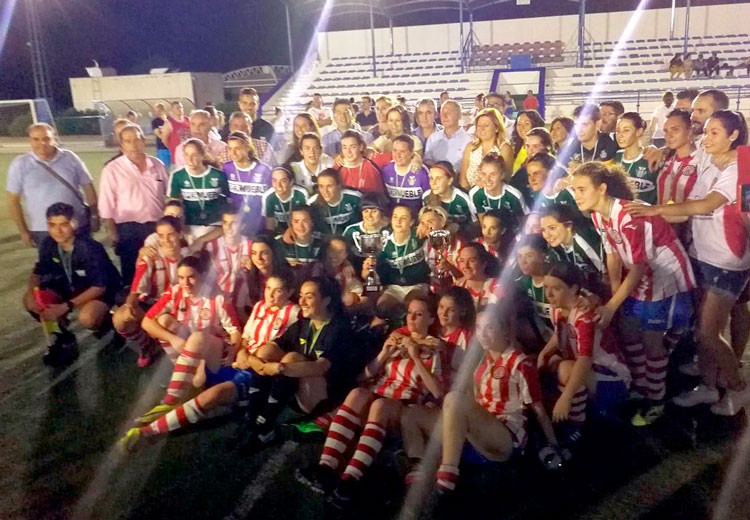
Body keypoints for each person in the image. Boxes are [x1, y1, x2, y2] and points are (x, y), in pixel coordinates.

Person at [626, 110, 750, 416]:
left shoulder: (740, 168)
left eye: (714, 133)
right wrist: (649, 210)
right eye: (705, 132)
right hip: (701, 255)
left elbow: (707, 204)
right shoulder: (708, 163)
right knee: (702, 333)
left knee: (709, 332)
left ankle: (738, 388)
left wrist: (654, 210)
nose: (705, 138)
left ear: (734, 136)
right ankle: (708, 387)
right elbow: (686, 210)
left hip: (726, 262)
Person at [118, 271, 299, 453]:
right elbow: (245, 337)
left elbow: (283, 352)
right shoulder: (260, 306)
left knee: (210, 397)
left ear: (289, 292)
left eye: (278, 291)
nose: (270, 294)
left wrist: (251, 359)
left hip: (255, 374)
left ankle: (146, 432)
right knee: (197, 339)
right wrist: (242, 350)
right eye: (268, 288)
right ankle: (171, 399)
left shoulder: (294, 313)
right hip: (239, 360)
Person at [572, 162, 695, 426]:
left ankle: (656, 399)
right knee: (629, 334)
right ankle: (642, 385)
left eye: (582, 189)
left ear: (602, 189)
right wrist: (615, 288)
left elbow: (639, 266)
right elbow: (613, 252)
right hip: (641, 276)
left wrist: (612, 305)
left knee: (652, 342)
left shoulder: (628, 217)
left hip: (664, 277)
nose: (577, 195)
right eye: (575, 190)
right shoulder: (597, 215)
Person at [296, 294, 443, 506]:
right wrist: (384, 353)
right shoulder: (397, 336)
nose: (411, 319)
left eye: (419, 315)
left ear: (430, 319)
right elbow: (363, 377)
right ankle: (326, 468)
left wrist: (415, 356)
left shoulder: (434, 348)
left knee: (380, 405)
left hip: (402, 404)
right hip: (378, 392)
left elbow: (437, 391)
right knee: (357, 393)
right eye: (409, 313)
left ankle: (350, 480)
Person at [432, 303, 558, 496]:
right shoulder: (482, 362)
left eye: (490, 327)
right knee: (413, 415)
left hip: (507, 435)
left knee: (454, 399)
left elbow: (537, 407)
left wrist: (553, 443)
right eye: (479, 327)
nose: (482, 334)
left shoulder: (519, 362)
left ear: (505, 330)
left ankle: (445, 482)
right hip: (482, 427)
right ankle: (417, 472)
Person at [236, 276, 355, 451]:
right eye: (301, 296)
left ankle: (266, 425)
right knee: (266, 352)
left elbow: (320, 367)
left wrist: (280, 368)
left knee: (291, 359)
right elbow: (272, 347)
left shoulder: (339, 328)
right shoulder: (304, 323)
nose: (302, 302)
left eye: (309, 296)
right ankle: (252, 417)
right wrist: (253, 359)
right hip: (299, 390)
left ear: (326, 300)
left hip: (326, 398)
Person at [23, 203, 121, 366]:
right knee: (29, 301)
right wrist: (32, 292)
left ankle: (107, 322)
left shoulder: (90, 248)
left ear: (73, 224)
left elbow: (99, 286)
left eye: (63, 225)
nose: (58, 231)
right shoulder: (48, 244)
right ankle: (61, 335)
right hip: (68, 288)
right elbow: (37, 272)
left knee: (87, 318)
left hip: (99, 290)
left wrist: (65, 307)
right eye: (52, 225)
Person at [539, 263, 630, 436]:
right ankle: (582, 410)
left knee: (567, 369)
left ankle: (576, 426)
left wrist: (565, 397)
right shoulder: (557, 309)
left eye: (556, 288)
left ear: (573, 289)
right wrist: (544, 353)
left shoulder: (584, 316)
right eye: (546, 287)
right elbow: (560, 334)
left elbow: (585, 359)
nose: (549, 294)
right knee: (551, 362)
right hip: (591, 372)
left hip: (613, 378)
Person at [399, 287, 475, 485]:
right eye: (441, 307)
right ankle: (418, 465)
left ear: (462, 312)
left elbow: (464, 378)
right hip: (430, 396)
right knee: (409, 413)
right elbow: (406, 331)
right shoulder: (433, 331)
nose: (443, 313)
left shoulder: (466, 338)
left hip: (452, 403)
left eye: (450, 310)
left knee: (412, 414)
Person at [7, 123, 98, 248]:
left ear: (54, 139)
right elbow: (13, 201)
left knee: (86, 262)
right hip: (43, 229)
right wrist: (23, 231)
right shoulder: (20, 164)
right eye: (36, 139)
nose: (42, 143)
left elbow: (88, 186)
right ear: (30, 140)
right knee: (51, 266)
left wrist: (94, 215)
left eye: (46, 139)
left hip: (76, 224)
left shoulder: (70, 158)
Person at [98, 124, 169, 285]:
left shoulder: (157, 165)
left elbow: (170, 194)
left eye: (137, 140)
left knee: (159, 269)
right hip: (128, 230)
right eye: (128, 141)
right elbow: (107, 204)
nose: (133, 144)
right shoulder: (112, 169)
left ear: (143, 141)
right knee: (132, 273)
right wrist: (113, 232)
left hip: (156, 227)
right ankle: (133, 307)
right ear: (122, 145)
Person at [114, 215, 183, 367]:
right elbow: (139, 279)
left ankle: (178, 364)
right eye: (161, 236)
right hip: (151, 302)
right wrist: (130, 303)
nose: (166, 240)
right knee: (121, 318)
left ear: (180, 234)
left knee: (165, 322)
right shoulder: (151, 255)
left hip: (173, 307)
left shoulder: (188, 255)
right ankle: (147, 345)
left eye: (170, 234)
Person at [369, 205, 431, 319]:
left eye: (403, 218)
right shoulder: (383, 242)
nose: (398, 221)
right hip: (394, 286)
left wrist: (451, 226)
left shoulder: (418, 234)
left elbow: (440, 232)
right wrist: (369, 267)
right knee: (382, 308)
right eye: (395, 217)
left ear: (412, 222)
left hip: (417, 284)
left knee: (412, 305)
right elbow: (374, 270)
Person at [168, 138, 230, 236]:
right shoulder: (178, 176)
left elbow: (228, 201)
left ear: (202, 155)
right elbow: (173, 205)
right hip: (189, 227)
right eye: (186, 155)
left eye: (194, 155)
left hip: (215, 226)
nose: (190, 159)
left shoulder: (218, 175)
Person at [540, 204, 604, 295]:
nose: (547, 235)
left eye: (552, 228)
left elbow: (607, 277)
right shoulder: (555, 249)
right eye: (543, 230)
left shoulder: (585, 242)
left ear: (568, 226)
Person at [223, 131, 272, 236]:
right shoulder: (227, 168)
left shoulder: (264, 170)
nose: (233, 153)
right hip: (237, 227)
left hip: (260, 225)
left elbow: (270, 199)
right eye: (230, 149)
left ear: (248, 148)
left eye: (238, 148)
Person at [470, 153, 528, 229]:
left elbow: (524, 223)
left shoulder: (514, 196)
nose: (487, 179)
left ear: (502, 175)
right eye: (483, 174)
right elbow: (482, 225)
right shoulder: (475, 194)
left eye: (493, 174)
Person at [460, 108, 514, 190]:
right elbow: (463, 177)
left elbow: (505, 177)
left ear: (496, 128)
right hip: (469, 194)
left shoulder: (504, 148)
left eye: (486, 125)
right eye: (479, 125)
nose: (482, 129)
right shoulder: (470, 147)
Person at [614, 112, 658, 205]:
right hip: (621, 216)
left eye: (626, 130)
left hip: (647, 217)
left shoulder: (650, 157)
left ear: (639, 132)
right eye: (618, 130)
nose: (620, 135)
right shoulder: (616, 157)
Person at [381, 135, 431, 217]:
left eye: (402, 151)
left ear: (411, 153)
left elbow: (429, 199)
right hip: (394, 217)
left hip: (416, 217)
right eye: (395, 150)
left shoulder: (421, 172)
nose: (398, 155)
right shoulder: (387, 170)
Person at [657, 109, 699, 204]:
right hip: (660, 217)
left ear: (690, 130)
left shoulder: (701, 161)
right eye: (666, 131)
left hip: (688, 218)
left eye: (675, 129)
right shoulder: (665, 157)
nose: (669, 135)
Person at [561, 103, 618, 169]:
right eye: (576, 125)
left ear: (597, 124)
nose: (579, 130)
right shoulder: (568, 149)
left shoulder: (611, 145)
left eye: (584, 125)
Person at [343, 193, 392, 270]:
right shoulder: (351, 231)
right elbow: (343, 255)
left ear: (382, 213)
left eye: (374, 211)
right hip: (357, 271)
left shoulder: (389, 230)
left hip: (384, 272)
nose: (369, 215)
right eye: (366, 211)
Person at [424, 100, 472, 176]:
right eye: (442, 113)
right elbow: (427, 160)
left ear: (459, 115)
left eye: (449, 113)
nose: (445, 116)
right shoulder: (433, 138)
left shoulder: (469, 140)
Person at [422, 162, 476, 229]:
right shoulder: (426, 197)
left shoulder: (464, 199)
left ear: (449, 181)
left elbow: (475, 224)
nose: (433, 183)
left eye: (438, 178)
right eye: (431, 178)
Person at [308, 169, 362, 236]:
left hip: (351, 238)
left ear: (339, 185)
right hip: (325, 241)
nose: (325, 191)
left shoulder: (354, 197)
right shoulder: (312, 203)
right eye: (321, 186)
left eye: (329, 186)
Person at [274, 205, 322, 281]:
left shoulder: (321, 243)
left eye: (305, 221)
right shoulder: (278, 242)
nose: (300, 226)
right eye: (296, 221)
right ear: (291, 224)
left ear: (312, 222)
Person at [315, 236, 364, 307]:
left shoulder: (347, 274)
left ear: (346, 255)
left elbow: (348, 299)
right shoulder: (315, 269)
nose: (335, 255)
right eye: (332, 250)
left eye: (340, 252)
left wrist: (347, 286)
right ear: (325, 251)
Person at [262, 166, 308, 235]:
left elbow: (306, 221)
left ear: (291, 182)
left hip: (299, 231)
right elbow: (270, 225)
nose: (279, 185)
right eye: (275, 181)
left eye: (283, 181)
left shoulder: (301, 194)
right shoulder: (268, 197)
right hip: (278, 233)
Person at [337, 130, 384, 195]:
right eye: (344, 147)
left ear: (361, 147)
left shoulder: (373, 160)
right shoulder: (338, 166)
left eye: (353, 147)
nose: (348, 152)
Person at [455, 243, 500, 309]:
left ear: (484, 263)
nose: (466, 266)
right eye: (462, 261)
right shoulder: (457, 287)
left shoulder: (497, 287)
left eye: (471, 261)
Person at [151, 103, 171, 168]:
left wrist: (165, 120)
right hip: (162, 148)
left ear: (164, 110)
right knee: (165, 167)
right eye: (156, 111)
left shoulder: (170, 120)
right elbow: (159, 134)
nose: (158, 113)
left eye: (159, 111)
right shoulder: (155, 121)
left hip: (172, 147)